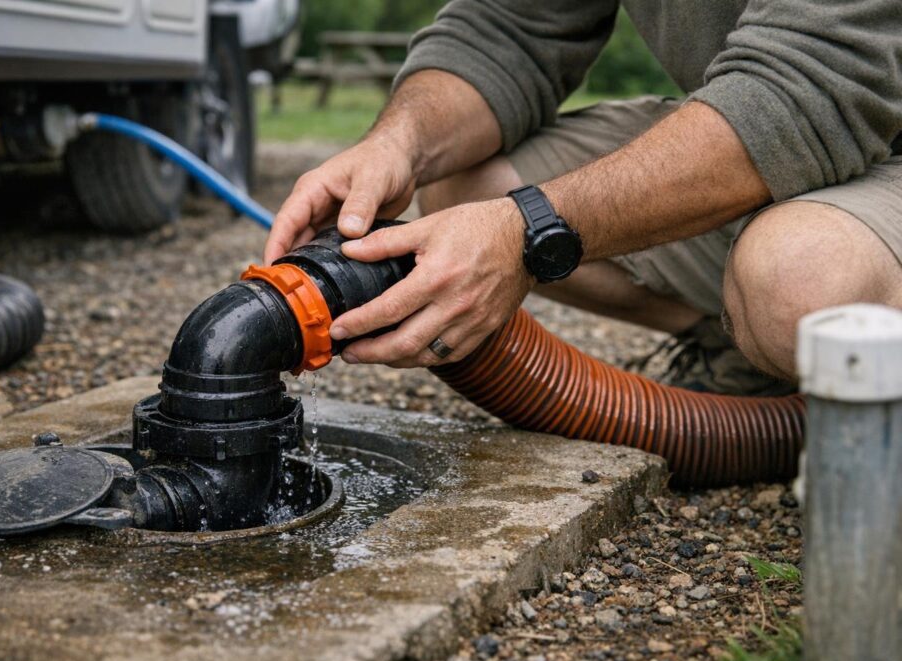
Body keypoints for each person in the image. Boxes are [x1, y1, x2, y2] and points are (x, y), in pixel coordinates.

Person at [264, 1, 902, 395]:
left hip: (867, 128)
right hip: (788, 114)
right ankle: (744, 352)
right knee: (467, 189)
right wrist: (395, 145)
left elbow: (815, 83)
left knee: (801, 283)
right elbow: (507, 30)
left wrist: (527, 232)